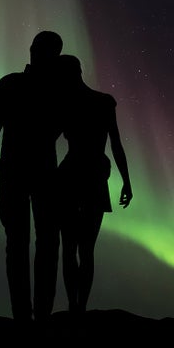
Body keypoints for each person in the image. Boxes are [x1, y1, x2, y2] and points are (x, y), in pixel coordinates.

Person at [0, 31, 63, 323]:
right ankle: (34, 315)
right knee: (37, 242)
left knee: (23, 243)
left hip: (19, 170)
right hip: (38, 172)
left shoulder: (11, 84)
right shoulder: (57, 90)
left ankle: (27, 316)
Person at [55, 54, 132, 315]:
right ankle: (80, 307)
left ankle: (75, 306)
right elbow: (116, 144)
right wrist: (126, 181)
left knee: (71, 249)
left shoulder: (65, 104)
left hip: (72, 174)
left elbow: (46, 138)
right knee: (85, 249)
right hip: (94, 175)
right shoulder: (102, 102)